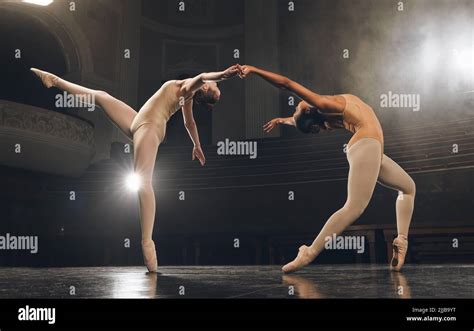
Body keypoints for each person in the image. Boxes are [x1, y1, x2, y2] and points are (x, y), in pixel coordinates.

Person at [31, 65, 241, 272]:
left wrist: (223, 75)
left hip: (150, 127)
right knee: (101, 96)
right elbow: (190, 123)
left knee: (143, 182)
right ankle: (55, 80)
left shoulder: (187, 87)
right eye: (217, 84)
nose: (211, 82)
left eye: (214, 85)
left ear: (204, 88)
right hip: (138, 120)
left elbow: (204, 76)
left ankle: (147, 241)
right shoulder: (186, 96)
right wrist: (197, 145)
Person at [238, 64, 416, 273]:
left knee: (408, 187)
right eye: (297, 108)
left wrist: (284, 121)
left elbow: (305, 121)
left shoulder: (327, 116)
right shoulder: (324, 105)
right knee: (354, 207)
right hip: (366, 144)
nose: (296, 106)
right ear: (310, 109)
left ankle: (401, 240)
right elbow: (285, 83)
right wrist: (254, 70)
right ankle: (310, 252)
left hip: (371, 148)